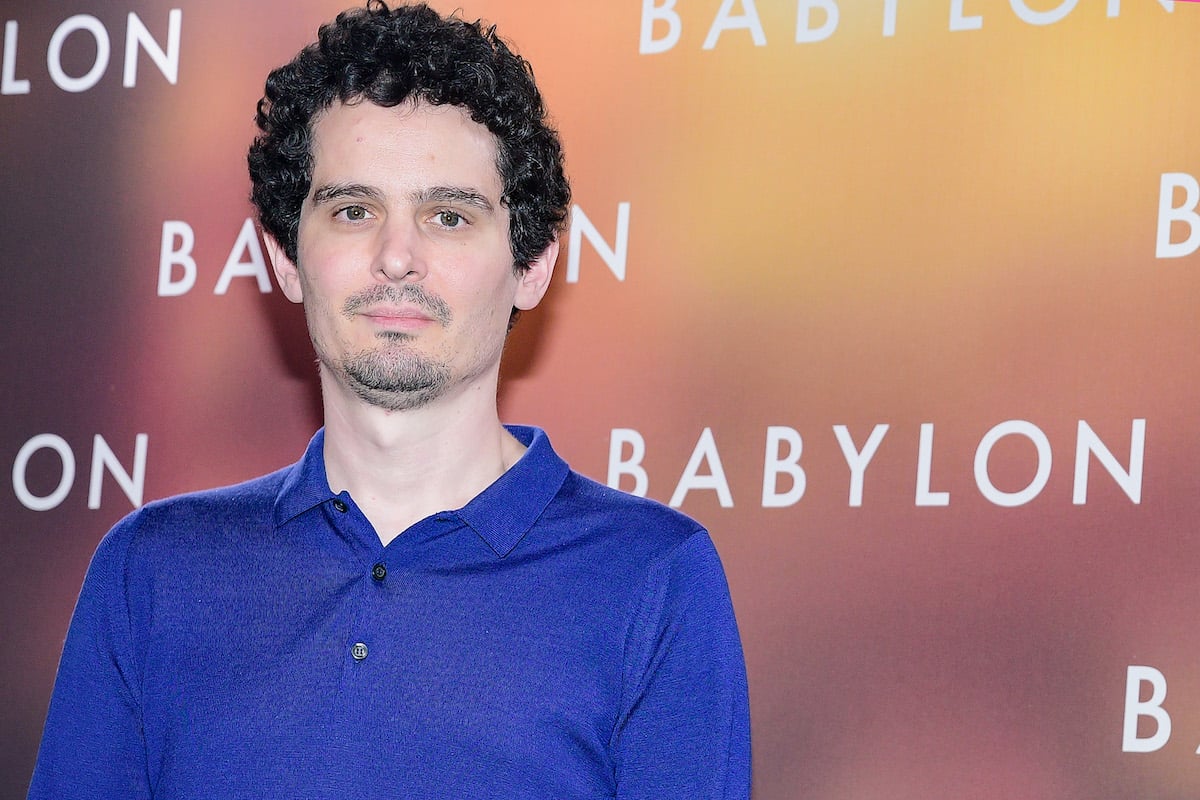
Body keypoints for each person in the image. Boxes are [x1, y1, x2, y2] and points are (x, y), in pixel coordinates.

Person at [28, 2, 750, 798]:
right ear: (286, 258)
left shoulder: (652, 577)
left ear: (534, 264)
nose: (396, 256)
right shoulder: (151, 572)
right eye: (352, 210)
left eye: (448, 215)